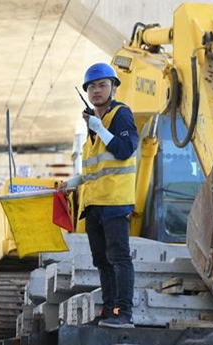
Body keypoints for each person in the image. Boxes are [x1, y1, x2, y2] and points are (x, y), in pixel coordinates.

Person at [61, 62, 138, 328]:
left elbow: (124, 149)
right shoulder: (94, 125)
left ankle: (123, 313)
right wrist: (74, 182)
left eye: (102, 85)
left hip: (114, 202)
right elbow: (97, 169)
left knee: (119, 259)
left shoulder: (120, 115)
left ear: (113, 88)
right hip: (94, 204)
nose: (96, 90)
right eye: (91, 86)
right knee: (102, 261)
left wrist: (101, 129)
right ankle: (109, 311)